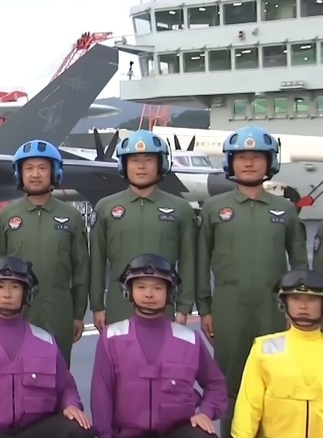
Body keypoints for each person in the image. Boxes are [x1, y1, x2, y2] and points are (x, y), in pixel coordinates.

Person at [196, 125, 308, 436]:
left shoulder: (285, 210)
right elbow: (201, 260)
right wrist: (204, 308)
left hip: (273, 310)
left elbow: (300, 264)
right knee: (230, 383)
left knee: (275, 381)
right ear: (230, 162)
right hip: (229, 309)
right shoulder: (214, 209)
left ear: (269, 162)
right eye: (242, 157)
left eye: (257, 157)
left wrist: (298, 308)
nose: (249, 163)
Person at [0, 256, 94, 438]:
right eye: (0, 286)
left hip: (34, 431)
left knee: (80, 431)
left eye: (15, 287)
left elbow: (66, 387)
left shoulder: (45, 342)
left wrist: (71, 404)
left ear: (27, 293)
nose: (7, 294)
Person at [91, 253, 228, 438]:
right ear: (128, 290)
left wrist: (205, 412)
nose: (149, 294)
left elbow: (216, 385)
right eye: (141, 287)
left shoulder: (189, 340)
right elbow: (102, 395)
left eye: (157, 287)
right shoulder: (111, 338)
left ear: (169, 293)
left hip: (177, 431)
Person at [0, 140, 90, 367]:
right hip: (16, 310)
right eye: (29, 168)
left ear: (55, 172)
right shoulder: (5, 217)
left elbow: (82, 269)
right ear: (19, 174)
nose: (35, 174)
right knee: (15, 369)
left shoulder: (71, 217)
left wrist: (78, 314)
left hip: (59, 310)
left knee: (58, 371)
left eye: (42, 168)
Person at [89, 130, 196, 331]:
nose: (141, 166)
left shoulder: (181, 209)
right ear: (124, 165)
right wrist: (97, 306)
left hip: (164, 303)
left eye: (148, 159)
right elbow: (96, 262)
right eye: (134, 160)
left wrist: (184, 307)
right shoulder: (105, 208)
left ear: (160, 164)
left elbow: (189, 262)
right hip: (118, 304)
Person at [231, 269, 323, 437]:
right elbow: (249, 404)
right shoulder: (264, 348)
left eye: (311, 299)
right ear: (284, 303)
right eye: (296, 298)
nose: (303, 306)